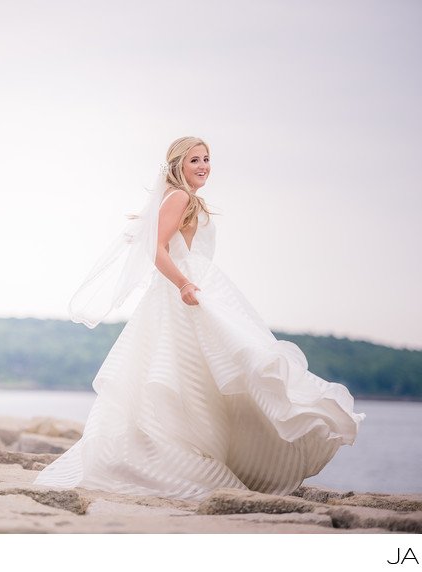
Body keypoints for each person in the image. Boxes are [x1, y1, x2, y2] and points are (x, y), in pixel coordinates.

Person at [34, 136, 364, 499]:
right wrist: (184, 284)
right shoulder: (179, 197)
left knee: (211, 371)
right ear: (178, 164)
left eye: (206, 159)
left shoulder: (186, 198)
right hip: (184, 294)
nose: (203, 165)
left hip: (198, 287)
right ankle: (179, 461)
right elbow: (156, 249)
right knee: (199, 371)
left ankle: (214, 454)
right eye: (195, 160)